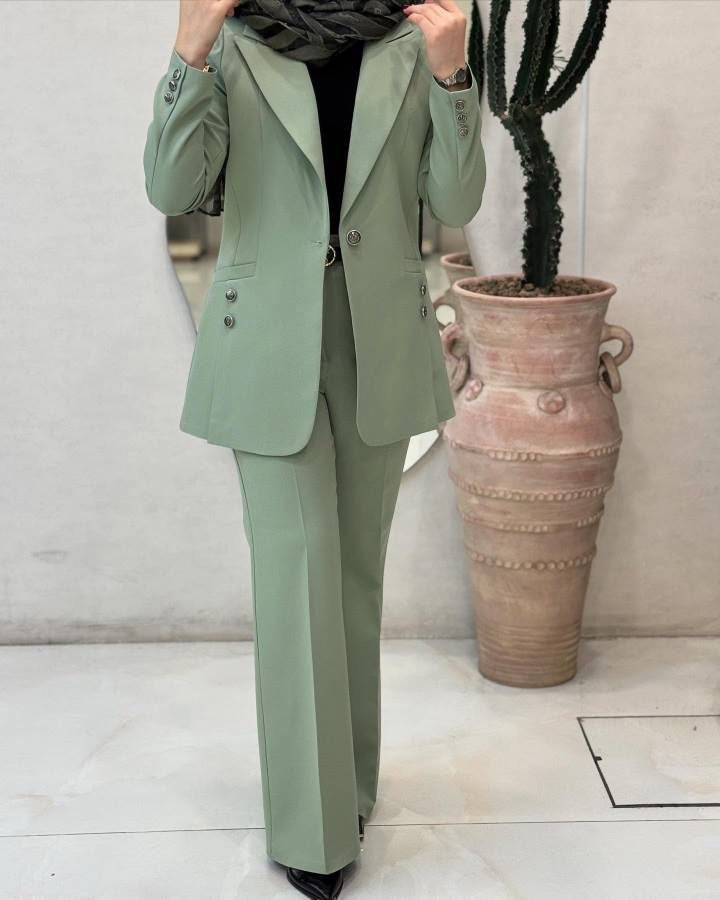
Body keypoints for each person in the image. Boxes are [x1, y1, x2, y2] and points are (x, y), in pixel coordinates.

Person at [143, 1, 485, 896]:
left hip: (382, 343)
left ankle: (349, 792)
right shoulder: (235, 37)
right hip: (265, 345)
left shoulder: (416, 36)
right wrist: (189, 51)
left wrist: (455, 77)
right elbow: (174, 187)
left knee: (354, 580)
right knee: (296, 572)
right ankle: (313, 831)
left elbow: (455, 202)